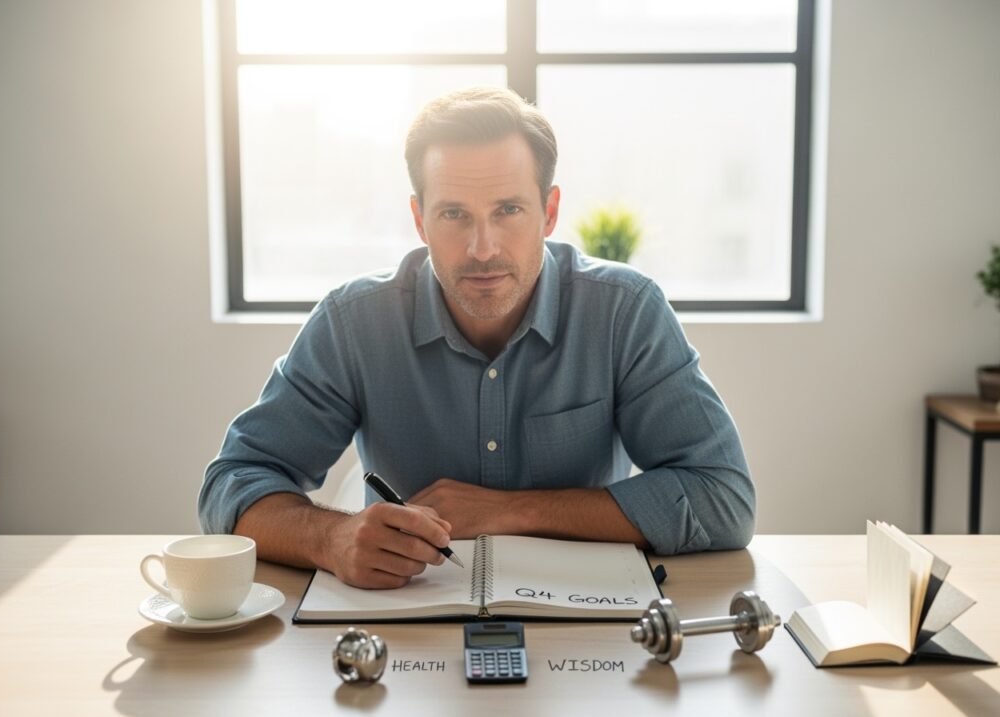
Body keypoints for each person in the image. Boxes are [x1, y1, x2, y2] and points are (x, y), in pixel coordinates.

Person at [199, 86, 754, 589]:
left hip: (588, 622)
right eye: (454, 214)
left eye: (509, 210)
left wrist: (511, 510)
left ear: (549, 212)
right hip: (398, 631)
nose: (482, 248)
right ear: (420, 221)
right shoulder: (354, 322)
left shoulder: (625, 312)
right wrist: (331, 538)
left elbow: (724, 500)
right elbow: (234, 481)